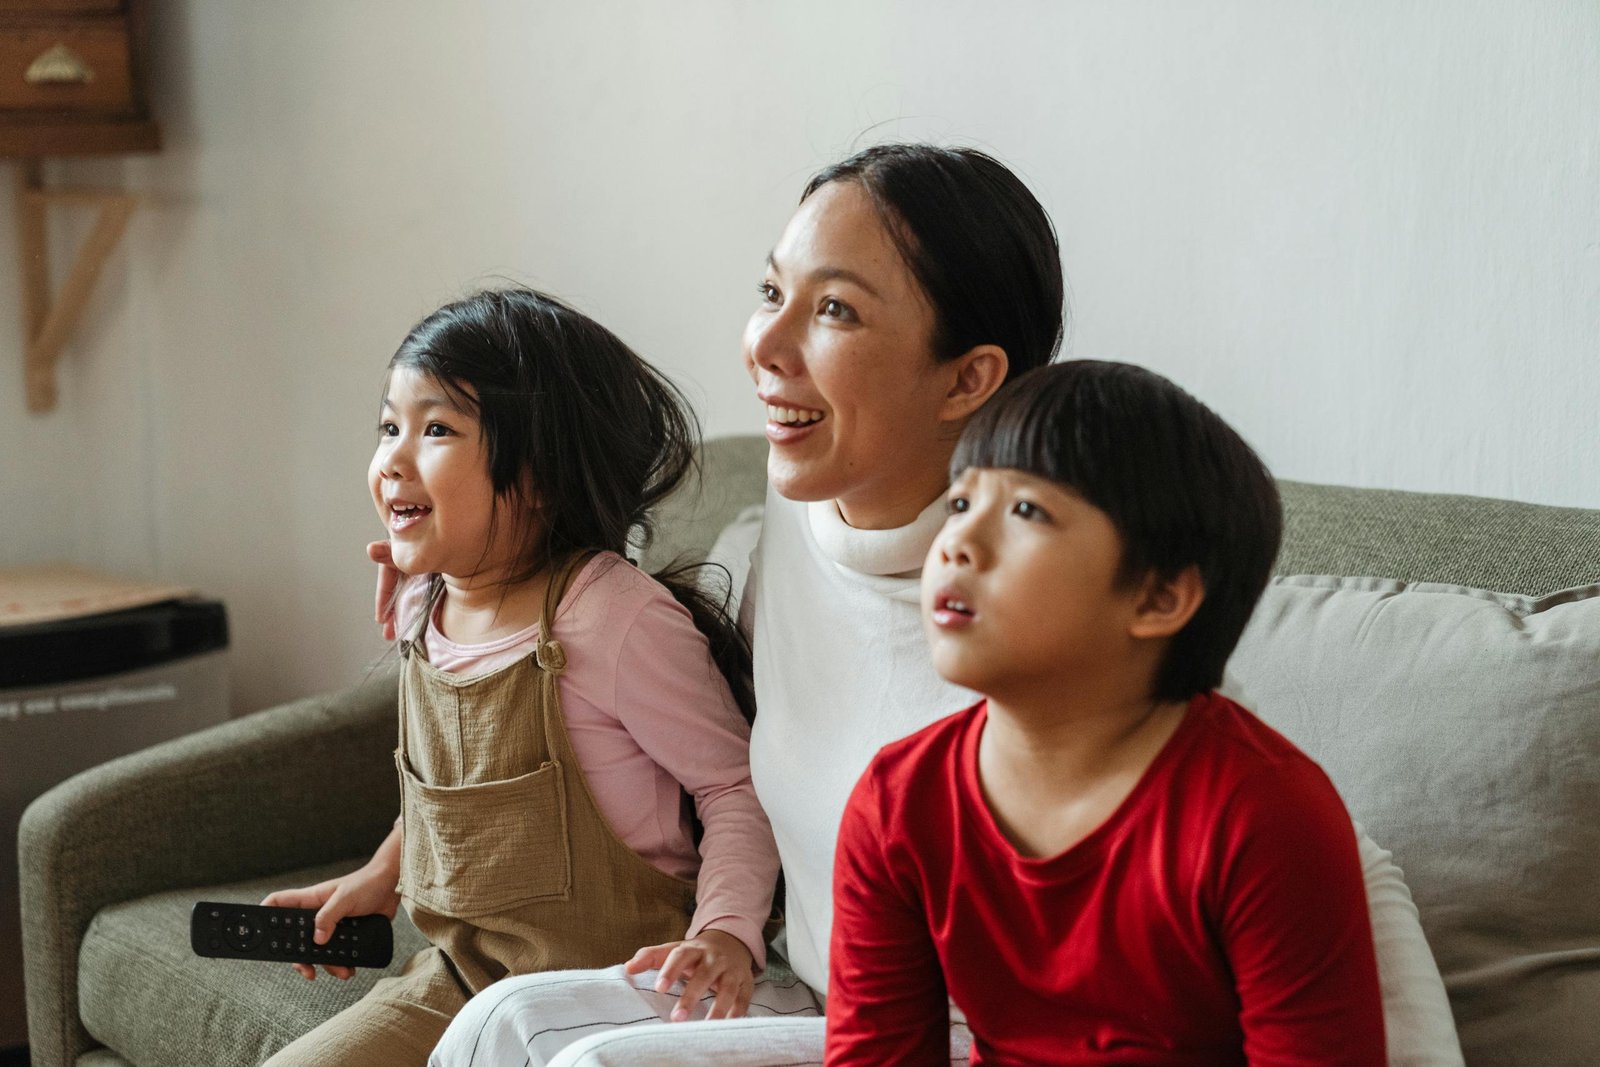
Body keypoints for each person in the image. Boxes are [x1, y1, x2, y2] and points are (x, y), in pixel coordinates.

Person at [429, 144, 1462, 1066]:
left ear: (968, 379)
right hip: (834, 998)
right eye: (772, 290)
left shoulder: (1067, 623)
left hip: (979, 1030)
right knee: (505, 1021)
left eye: (834, 310)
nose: (765, 344)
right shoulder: (805, 506)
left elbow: (1301, 843)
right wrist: (447, 583)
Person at [260, 288, 781, 1065]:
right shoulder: (422, 603)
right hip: (461, 977)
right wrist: (381, 874)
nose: (394, 459)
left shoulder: (613, 617)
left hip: (613, 991)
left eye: (436, 429)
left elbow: (735, 785)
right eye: (390, 427)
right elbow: (459, 791)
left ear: (539, 475)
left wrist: (726, 932)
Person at [826, 360, 1385, 1064]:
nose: (957, 543)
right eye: (961, 503)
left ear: (1157, 598)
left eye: (1027, 511)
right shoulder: (896, 802)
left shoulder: (1265, 815)